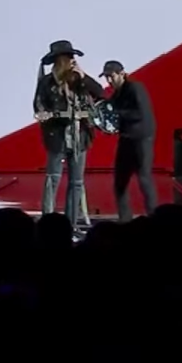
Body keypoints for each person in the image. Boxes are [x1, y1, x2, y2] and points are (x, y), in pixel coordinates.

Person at [34, 40, 104, 230]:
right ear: (58, 60)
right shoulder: (47, 83)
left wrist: (83, 77)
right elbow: (39, 106)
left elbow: (100, 93)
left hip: (79, 136)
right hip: (57, 136)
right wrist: (50, 116)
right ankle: (47, 222)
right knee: (53, 179)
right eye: (68, 57)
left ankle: (71, 224)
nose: (72, 60)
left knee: (77, 182)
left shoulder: (79, 80)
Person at [100, 60, 157, 222]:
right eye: (106, 77)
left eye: (111, 76)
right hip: (126, 139)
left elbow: (141, 113)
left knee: (144, 179)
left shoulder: (135, 88)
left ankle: (154, 218)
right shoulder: (117, 94)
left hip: (141, 140)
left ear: (122, 74)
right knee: (120, 182)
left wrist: (117, 114)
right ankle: (124, 220)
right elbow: (108, 108)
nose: (109, 81)